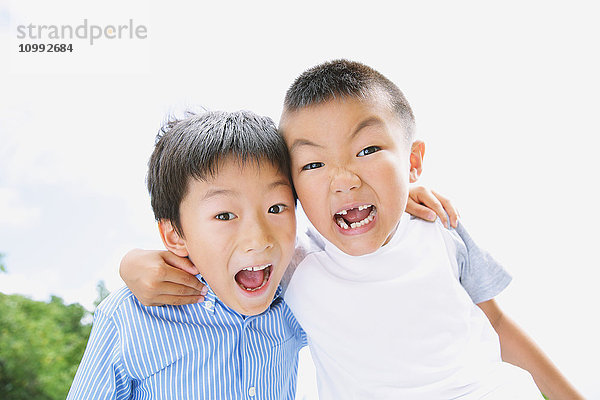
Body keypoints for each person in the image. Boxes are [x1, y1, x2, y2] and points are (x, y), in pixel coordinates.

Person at [121, 61, 584, 399]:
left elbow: (497, 322)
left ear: (413, 160)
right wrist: (130, 263)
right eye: (315, 163)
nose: (344, 178)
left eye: (367, 150)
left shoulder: (439, 228)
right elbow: (223, 253)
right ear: (296, 192)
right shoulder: (294, 263)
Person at [68, 111, 306, 399]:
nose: (258, 239)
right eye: (225, 215)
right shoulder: (128, 317)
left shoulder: (299, 297)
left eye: (276, 208)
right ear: (175, 236)